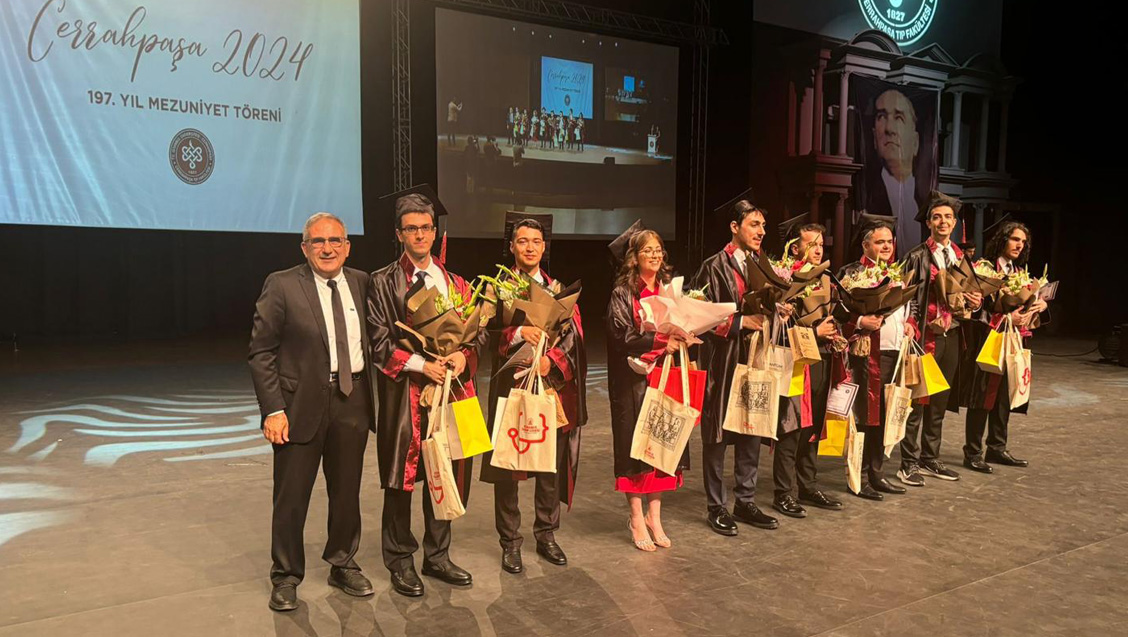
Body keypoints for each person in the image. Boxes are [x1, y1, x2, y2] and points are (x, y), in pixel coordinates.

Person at [249, 212, 376, 612]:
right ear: (304, 248)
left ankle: (343, 562)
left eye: (335, 241)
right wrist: (273, 409)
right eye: (318, 242)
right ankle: (285, 576)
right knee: (291, 497)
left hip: (351, 400)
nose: (327, 248)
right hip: (298, 405)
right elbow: (261, 351)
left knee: (347, 492)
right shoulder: (283, 284)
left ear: (347, 246)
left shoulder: (362, 282)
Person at [367, 186, 488, 597]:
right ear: (399, 234)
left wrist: (462, 358)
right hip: (406, 396)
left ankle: (438, 556)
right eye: (410, 229)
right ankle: (400, 559)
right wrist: (424, 365)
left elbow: (477, 336)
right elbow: (379, 343)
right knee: (401, 479)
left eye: (425, 228)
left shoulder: (456, 282)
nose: (419, 235)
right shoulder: (382, 283)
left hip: (452, 393)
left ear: (435, 232)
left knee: (446, 473)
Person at [482, 215, 588, 574]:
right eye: (522, 241)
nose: (529, 247)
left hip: (550, 387)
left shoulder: (558, 289)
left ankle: (546, 534)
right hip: (510, 385)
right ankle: (510, 542)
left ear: (544, 247)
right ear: (511, 246)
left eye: (536, 241)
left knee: (549, 463)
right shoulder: (498, 288)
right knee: (509, 466)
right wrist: (516, 333)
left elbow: (573, 339)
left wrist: (550, 362)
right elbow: (480, 333)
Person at [689, 191, 779, 536]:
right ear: (734, 226)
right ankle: (716, 506)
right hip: (722, 361)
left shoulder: (763, 264)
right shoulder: (713, 266)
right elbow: (700, 316)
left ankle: (745, 499)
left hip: (755, 357)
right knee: (717, 434)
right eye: (754, 224)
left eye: (763, 226)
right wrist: (741, 323)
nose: (761, 231)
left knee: (751, 426)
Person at [606, 225, 690, 551]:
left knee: (663, 446)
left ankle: (655, 516)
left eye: (658, 250)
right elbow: (620, 336)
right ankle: (636, 516)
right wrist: (659, 340)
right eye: (647, 250)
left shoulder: (670, 290)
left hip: (664, 376)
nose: (654, 255)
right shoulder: (622, 292)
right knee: (636, 447)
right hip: (634, 381)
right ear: (634, 257)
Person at [897, 192, 983, 486]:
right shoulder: (917, 255)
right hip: (925, 337)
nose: (943, 221)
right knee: (918, 401)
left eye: (948, 217)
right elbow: (906, 297)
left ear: (955, 222)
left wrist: (975, 302)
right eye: (937, 217)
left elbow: (974, 295)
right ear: (929, 223)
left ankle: (929, 457)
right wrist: (912, 324)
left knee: (940, 401)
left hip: (953, 335)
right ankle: (907, 462)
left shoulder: (960, 256)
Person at [837, 213, 917, 500]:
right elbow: (839, 315)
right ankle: (857, 477)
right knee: (864, 417)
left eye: (889, 242)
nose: (886, 247)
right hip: (866, 355)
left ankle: (877, 473)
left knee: (883, 418)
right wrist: (859, 323)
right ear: (865, 245)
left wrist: (910, 323)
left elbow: (912, 306)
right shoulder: (852, 274)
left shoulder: (896, 273)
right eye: (879, 242)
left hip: (894, 353)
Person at [770, 216, 844, 518]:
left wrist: (835, 333)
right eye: (810, 244)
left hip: (822, 358)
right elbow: (776, 330)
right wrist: (814, 333)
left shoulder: (827, 279)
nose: (817, 249)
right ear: (794, 247)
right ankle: (783, 493)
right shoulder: (784, 279)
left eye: (820, 244)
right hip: (795, 361)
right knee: (792, 426)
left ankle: (808, 484)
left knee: (813, 425)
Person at [960, 218, 1047, 472]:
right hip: (988, 339)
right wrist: (1007, 317)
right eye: (1015, 239)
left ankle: (997, 448)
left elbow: (1024, 305)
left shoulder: (1020, 274)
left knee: (1004, 397)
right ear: (1003, 240)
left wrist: (1040, 306)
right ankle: (973, 452)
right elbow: (975, 308)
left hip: (1013, 340)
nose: (1019, 245)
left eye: (1023, 241)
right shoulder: (984, 269)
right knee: (982, 396)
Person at [866, 89, 928, 252]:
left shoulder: (926, 204)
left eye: (899, 118)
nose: (889, 129)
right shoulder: (865, 198)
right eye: (881, 117)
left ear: (915, 142)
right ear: (874, 137)